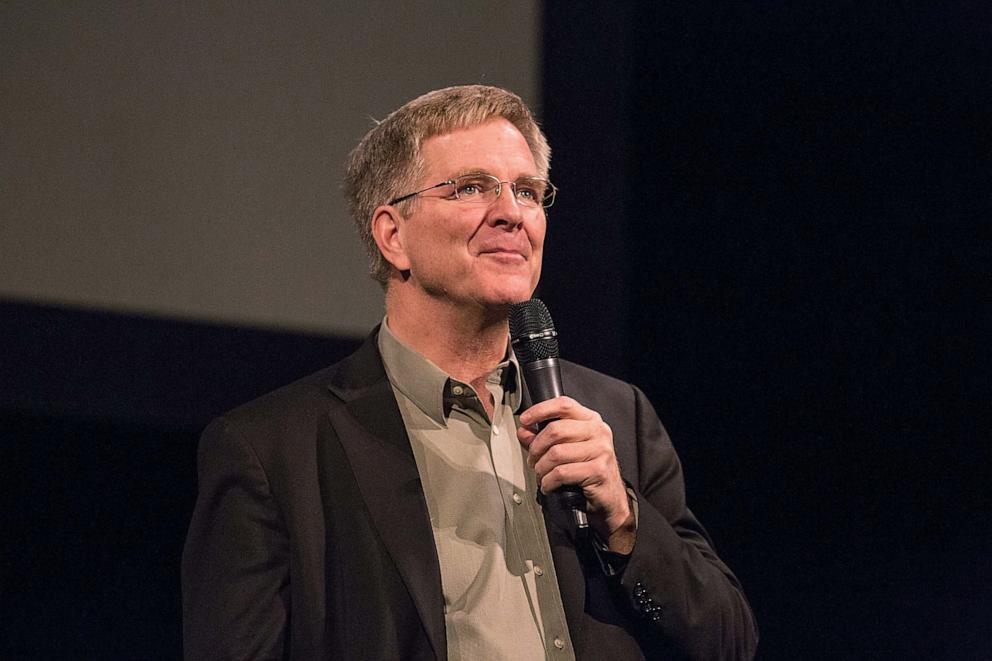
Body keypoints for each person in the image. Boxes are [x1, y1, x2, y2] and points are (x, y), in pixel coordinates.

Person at [182, 85, 758, 660]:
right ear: (393, 236)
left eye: (528, 192)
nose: (511, 213)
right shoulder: (271, 449)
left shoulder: (616, 416)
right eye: (471, 188)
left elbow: (729, 642)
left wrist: (626, 521)